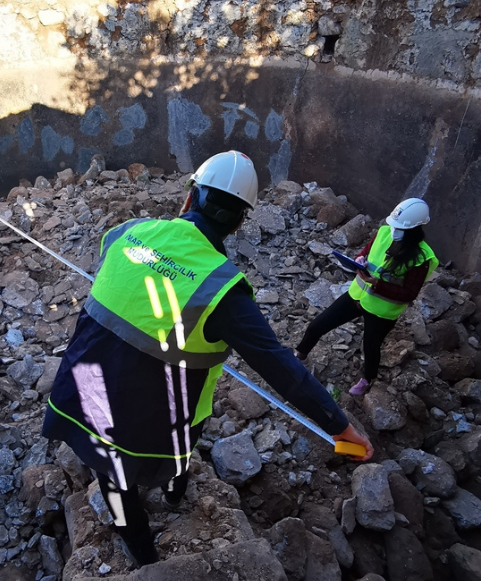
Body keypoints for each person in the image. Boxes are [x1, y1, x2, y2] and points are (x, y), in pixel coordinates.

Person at [41, 151, 374, 568]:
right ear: (238, 223)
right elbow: (280, 368)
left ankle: (144, 557)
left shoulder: (126, 232)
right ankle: (173, 492)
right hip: (153, 424)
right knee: (178, 449)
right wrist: (341, 427)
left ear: (189, 197)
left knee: (113, 481)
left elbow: (129, 280)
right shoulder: (222, 289)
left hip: (82, 393)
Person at [296, 198, 439, 396]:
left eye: (400, 229)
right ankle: (299, 355)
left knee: (371, 348)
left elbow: (409, 293)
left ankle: (368, 380)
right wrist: (359, 259)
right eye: (393, 226)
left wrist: (377, 284)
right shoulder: (383, 233)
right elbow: (365, 252)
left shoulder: (422, 258)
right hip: (357, 296)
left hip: (382, 311)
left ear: (415, 230)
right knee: (317, 325)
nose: (394, 231)